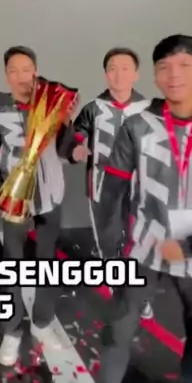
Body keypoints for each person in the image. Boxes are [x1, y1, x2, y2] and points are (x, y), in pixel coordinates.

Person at [78, 34, 192, 383]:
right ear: (154, 75)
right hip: (144, 246)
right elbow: (113, 191)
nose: (174, 75)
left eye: (185, 65)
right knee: (119, 326)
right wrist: (114, 247)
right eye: (165, 67)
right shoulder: (137, 126)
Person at [0, 45, 76, 366]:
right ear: (6, 75)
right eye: (14, 70)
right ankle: (11, 331)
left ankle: (42, 322)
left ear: (35, 72)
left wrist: (68, 123)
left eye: (26, 69)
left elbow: (65, 149)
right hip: (15, 201)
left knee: (47, 263)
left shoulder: (52, 104)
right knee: (12, 265)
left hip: (50, 197)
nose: (21, 76)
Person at [69, 47, 153, 319]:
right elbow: (75, 137)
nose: (119, 75)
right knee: (108, 242)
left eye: (125, 68)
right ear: (106, 75)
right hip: (102, 186)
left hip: (140, 189)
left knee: (139, 241)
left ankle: (139, 294)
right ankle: (118, 289)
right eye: (113, 69)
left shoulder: (149, 109)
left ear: (136, 74)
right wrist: (76, 150)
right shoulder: (93, 109)